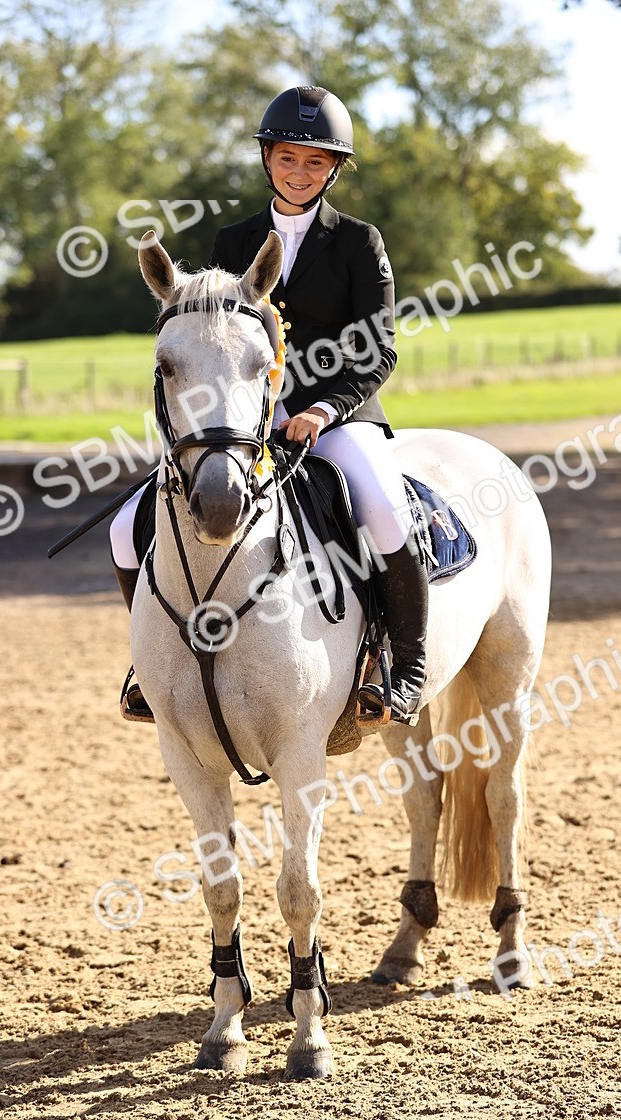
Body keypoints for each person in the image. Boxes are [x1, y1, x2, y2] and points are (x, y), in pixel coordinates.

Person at [110, 84, 427, 724]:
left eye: (315, 161)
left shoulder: (360, 243)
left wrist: (321, 410)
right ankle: (154, 662)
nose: (300, 172)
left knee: (385, 510)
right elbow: (210, 342)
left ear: (334, 168)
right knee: (125, 527)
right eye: (288, 158)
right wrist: (242, 414)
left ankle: (400, 662)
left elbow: (380, 351)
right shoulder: (233, 241)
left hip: (337, 420)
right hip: (241, 426)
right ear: (267, 160)